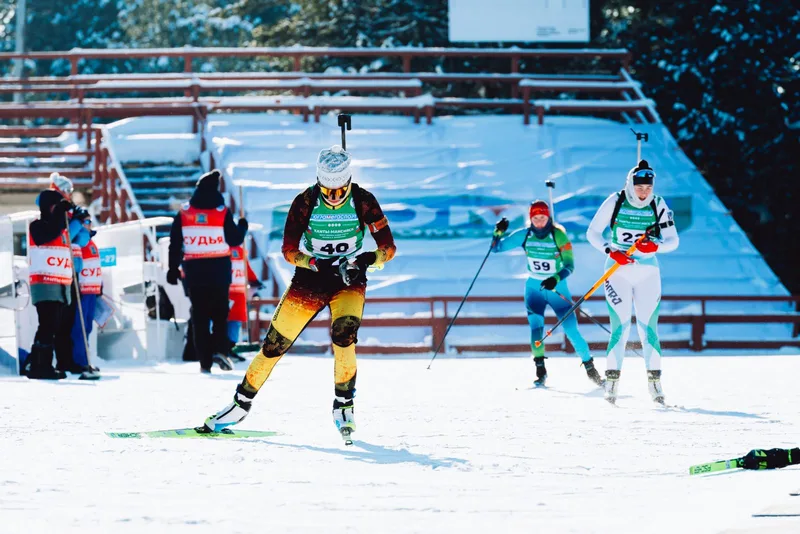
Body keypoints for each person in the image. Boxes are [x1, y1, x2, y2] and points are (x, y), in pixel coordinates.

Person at [202, 144, 396, 442]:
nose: (333, 198)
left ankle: (344, 404)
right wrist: (316, 262)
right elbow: (289, 250)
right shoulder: (305, 201)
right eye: (327, 191)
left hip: (349, 278)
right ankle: (239, 405)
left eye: (339, 191)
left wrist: (366, 260)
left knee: (345, 335)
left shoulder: (363, 200)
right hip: (311, 279)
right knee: (274, 345)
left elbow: (388, 247)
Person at [586, 159, 679, 405]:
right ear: (630, 184)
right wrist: (610, 250)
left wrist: (656, 245)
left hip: (648, 273)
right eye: (639, 187)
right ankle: (612, 385)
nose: (644, 192)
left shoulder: (658, 204)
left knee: (649, 330)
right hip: (617, 272)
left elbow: (673, 241)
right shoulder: (615, 201)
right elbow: (592, 233)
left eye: (648, 187)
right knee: (621, 328)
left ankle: (655, 386)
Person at [492, 200, 602, 388]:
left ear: (548, 217)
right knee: (536, 330)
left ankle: (591, 370)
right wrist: (498, 232)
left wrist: (556, 278)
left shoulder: (558, 235)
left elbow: (570, 265)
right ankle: (540, 371)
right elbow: (496, 248)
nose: (540, 222)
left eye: (543, 218)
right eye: (536, 218)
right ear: (531, 218)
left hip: (557, 289)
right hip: (534, 289)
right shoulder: (525, 235)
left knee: (571, 330)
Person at [167, 169, 248, 373]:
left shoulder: (184, 212)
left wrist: (172, 268)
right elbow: (234, 240)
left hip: (194, 273)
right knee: (220, 314)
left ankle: (204, 361)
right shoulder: (222, 212)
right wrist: (242, 227)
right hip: (219, 271)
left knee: (200, 317)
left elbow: (174, 244)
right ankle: (220, 350)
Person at [25, 189, 82, 379]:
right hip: (44, 283)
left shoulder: (62, 229)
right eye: (56, 206)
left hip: (59, 284)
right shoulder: (37, 226)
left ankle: (41, 363)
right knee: (47, 325)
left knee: (55, 326)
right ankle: (40, 366)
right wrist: (59, 213)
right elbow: (47, 235)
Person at [70, 218, 102, 374]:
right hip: (83, 290)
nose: (88, 224)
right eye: (84, 221)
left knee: (87, 327)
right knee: (80, 328)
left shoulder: (91, 241)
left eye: (89, 221)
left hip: (92, 290)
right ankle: (80, 361)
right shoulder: (79, 240)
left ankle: (85, 358)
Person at [226, 244, 262, 362]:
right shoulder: (223, 248)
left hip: (235, 292)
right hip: (228, 291)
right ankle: (223, 348)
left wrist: (254, 280)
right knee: (227, 321)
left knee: (233, 321)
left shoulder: (238, 251)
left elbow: (246, 268)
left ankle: (229, 348)